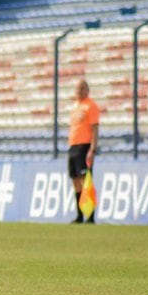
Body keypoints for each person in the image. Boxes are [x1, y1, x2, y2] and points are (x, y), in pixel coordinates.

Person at [67, 78, 101, 223]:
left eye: (82, 89)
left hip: (84, 147)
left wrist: (92, 148)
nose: (79, 92)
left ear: (87, 90)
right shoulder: (75, 106)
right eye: (77, 89)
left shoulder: (91, 106)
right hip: (73, 147)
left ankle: (91, 216)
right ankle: (80, 215)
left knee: (85, 180)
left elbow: (94, 128)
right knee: (75, 180)